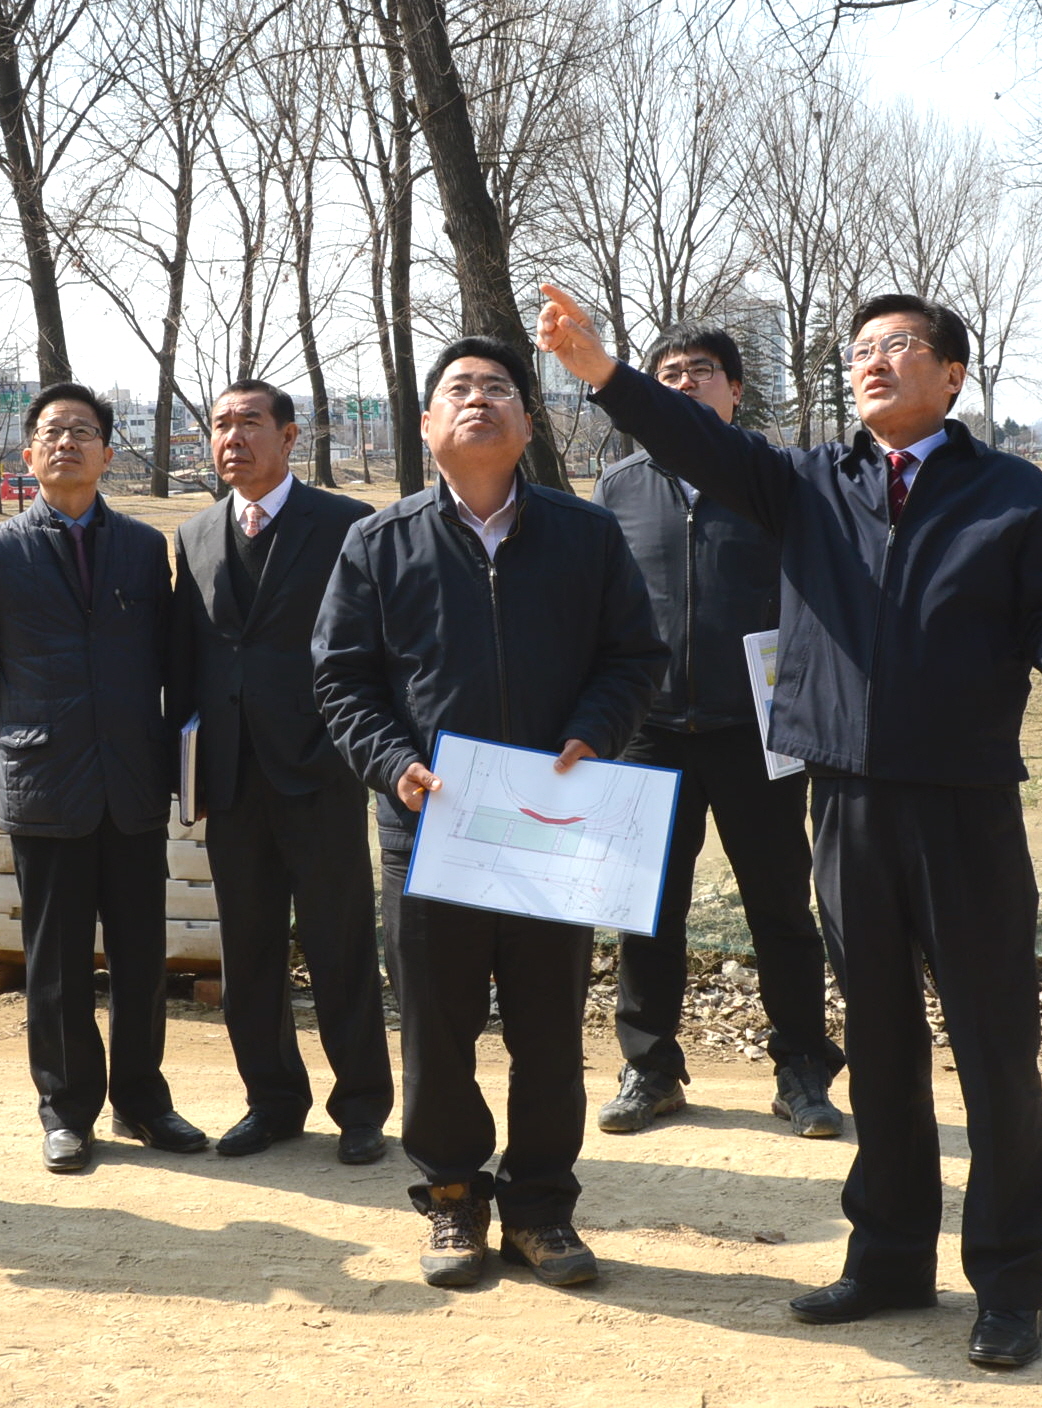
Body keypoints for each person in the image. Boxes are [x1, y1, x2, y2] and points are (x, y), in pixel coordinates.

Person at [538, 284, 1042, 1371]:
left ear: (952, 375)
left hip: (964, 805)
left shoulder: (1010, 492)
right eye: (861, 349)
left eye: (901, 347)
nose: (875, 362)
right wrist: (602, 371)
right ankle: (891, 1257)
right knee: (883, 1043)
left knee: (995, 1049)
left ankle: (1007, 1284)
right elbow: (695, 439)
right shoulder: (808, 482)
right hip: (846, 799)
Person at [313, 336, 666, 1289]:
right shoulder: (377, 544)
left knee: (549, 1033)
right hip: (433, 834)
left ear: (529, 422)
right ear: (427, 425)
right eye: (457, 389)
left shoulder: (584, 537)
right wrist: (395, 766)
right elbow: (341, 680)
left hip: (554, 831)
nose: (479, 400)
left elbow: (635, 656)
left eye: (500, 389)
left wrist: (594, 734)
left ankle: (542, 1210)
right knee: (436, 1031)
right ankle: (455, 1203)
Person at [0, 381, 206, 1174]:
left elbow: (167, 660)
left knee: (139, 955)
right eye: (51, 432)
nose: (66, 443)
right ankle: (65, 1109)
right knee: (54, 962)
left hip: (129, 783)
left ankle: (143, 1102)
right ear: (28, 456)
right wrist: (18, 739)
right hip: (45, 785)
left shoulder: (139, 547)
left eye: (82, 432)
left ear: (106, 453)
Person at [590, 325, 844, 1139]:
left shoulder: (775, 483)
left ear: (735, 392)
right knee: (644, 908)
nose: (684, 382)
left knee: (779, 907)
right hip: (649, 732)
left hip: (758, 732)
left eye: (703, 371)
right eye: (667, 373)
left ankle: (802, 1066)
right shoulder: (618, 487)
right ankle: (650, 1067)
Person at [169, 380, 394, 1165]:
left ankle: (361, 1106)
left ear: (289, 436)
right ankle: (271, 1101)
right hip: (230, 778)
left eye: (250, 423)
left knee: (339, 946)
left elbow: (374, 648)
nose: (233, 437)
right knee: (249, 952)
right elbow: (191, 654)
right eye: (220, 425)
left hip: (320, 770)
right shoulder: (194, 535)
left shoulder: (345, 525)